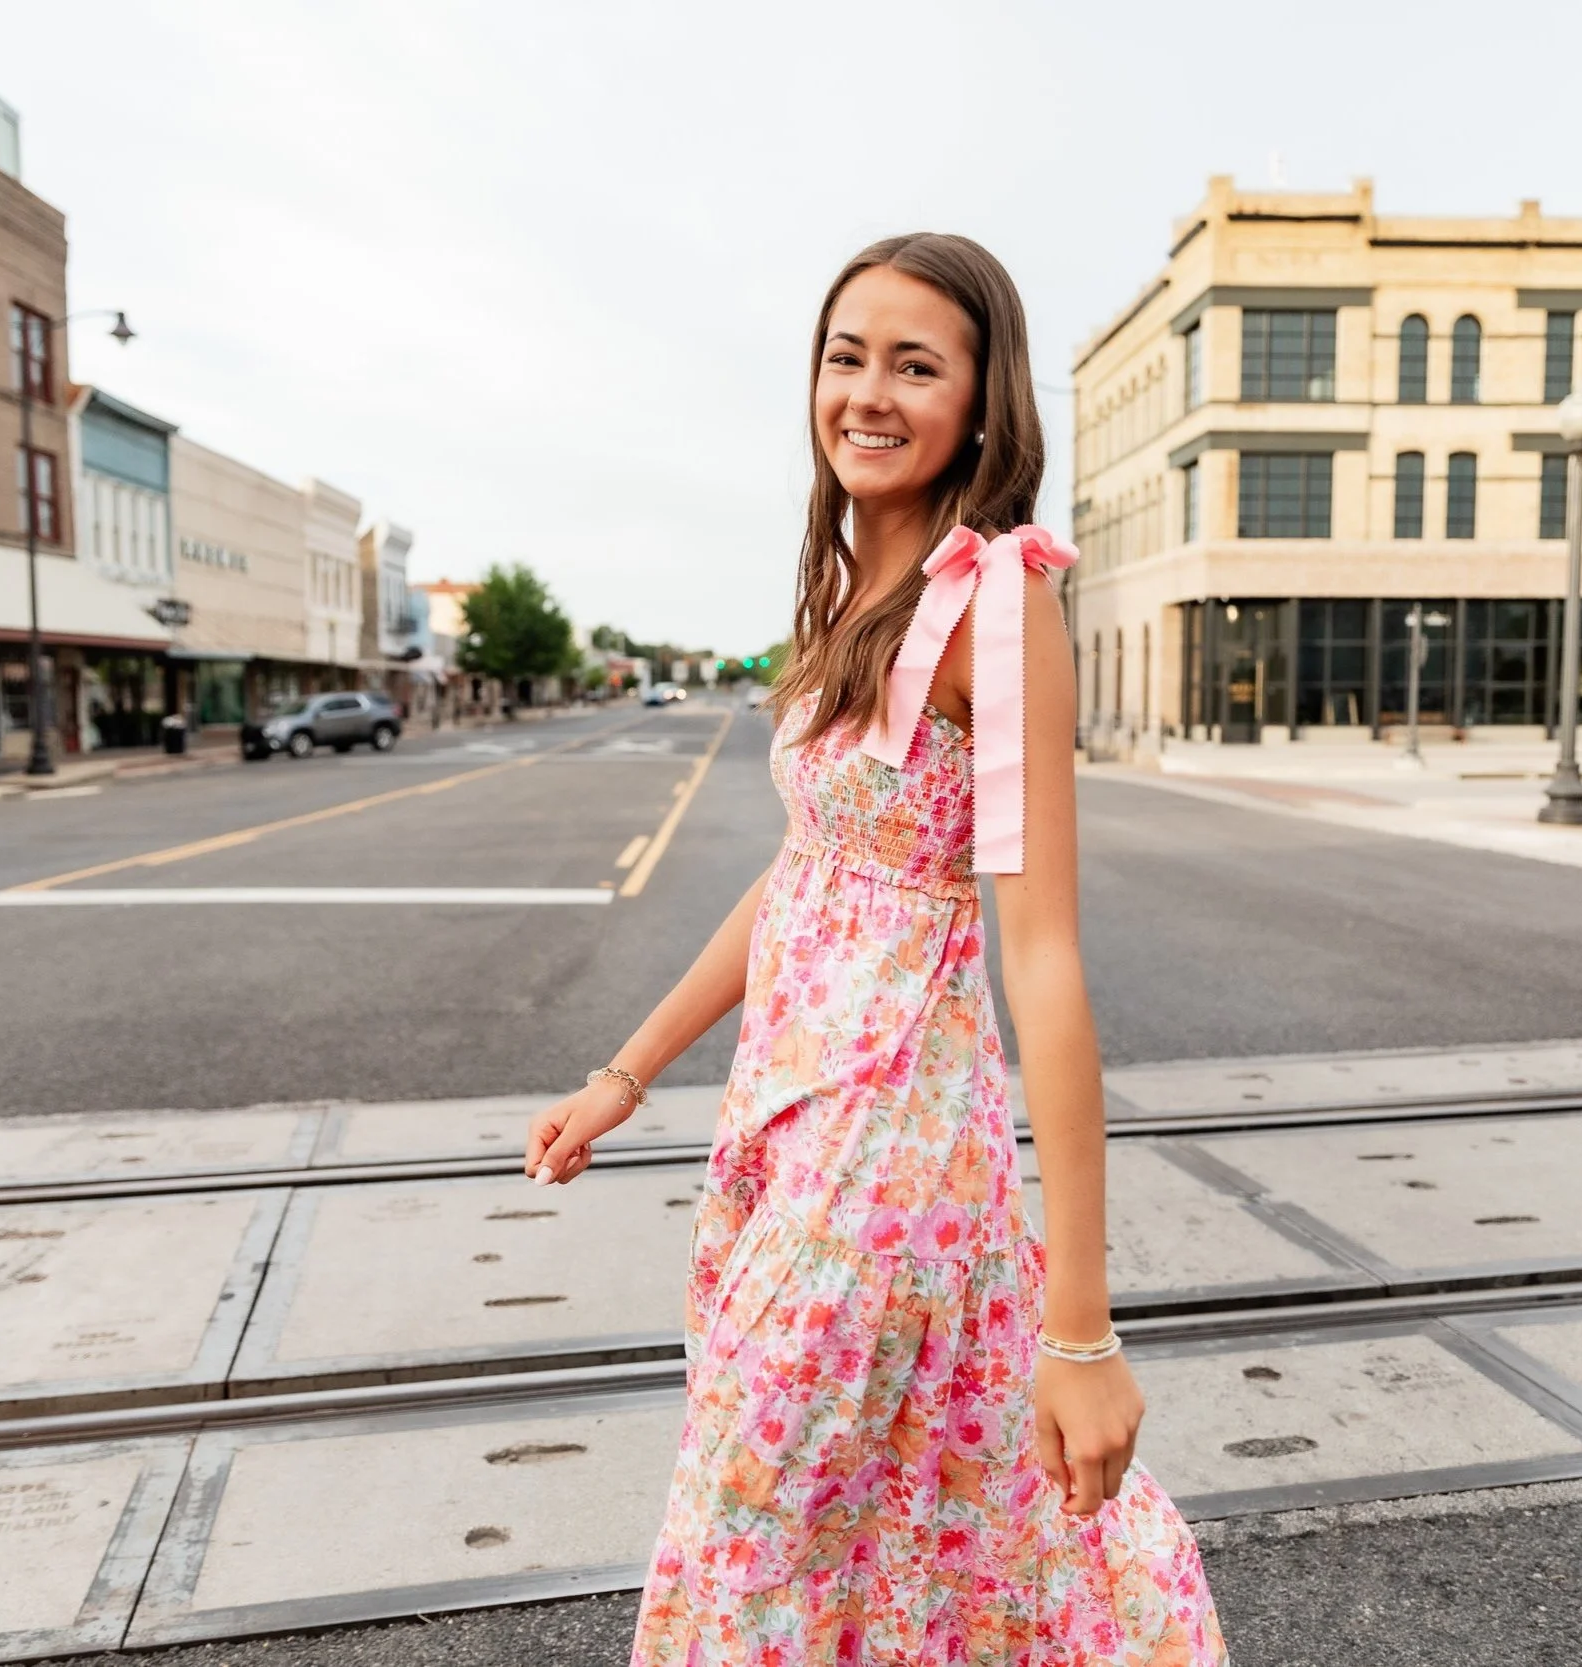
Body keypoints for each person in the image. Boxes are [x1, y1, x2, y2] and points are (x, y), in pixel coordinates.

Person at [525, 232, 1225, 1666]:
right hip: (794, 1131)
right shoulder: (852, 593)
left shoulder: (1000, 601)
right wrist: (625, 1071)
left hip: (890, 1160)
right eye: (847, 355)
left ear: (982, 401)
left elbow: (1042, 962)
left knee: (753, 1525)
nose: (868, 391)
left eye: (916, 363)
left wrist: (1080, 1327)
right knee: (903, 1534)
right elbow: (811, 875)